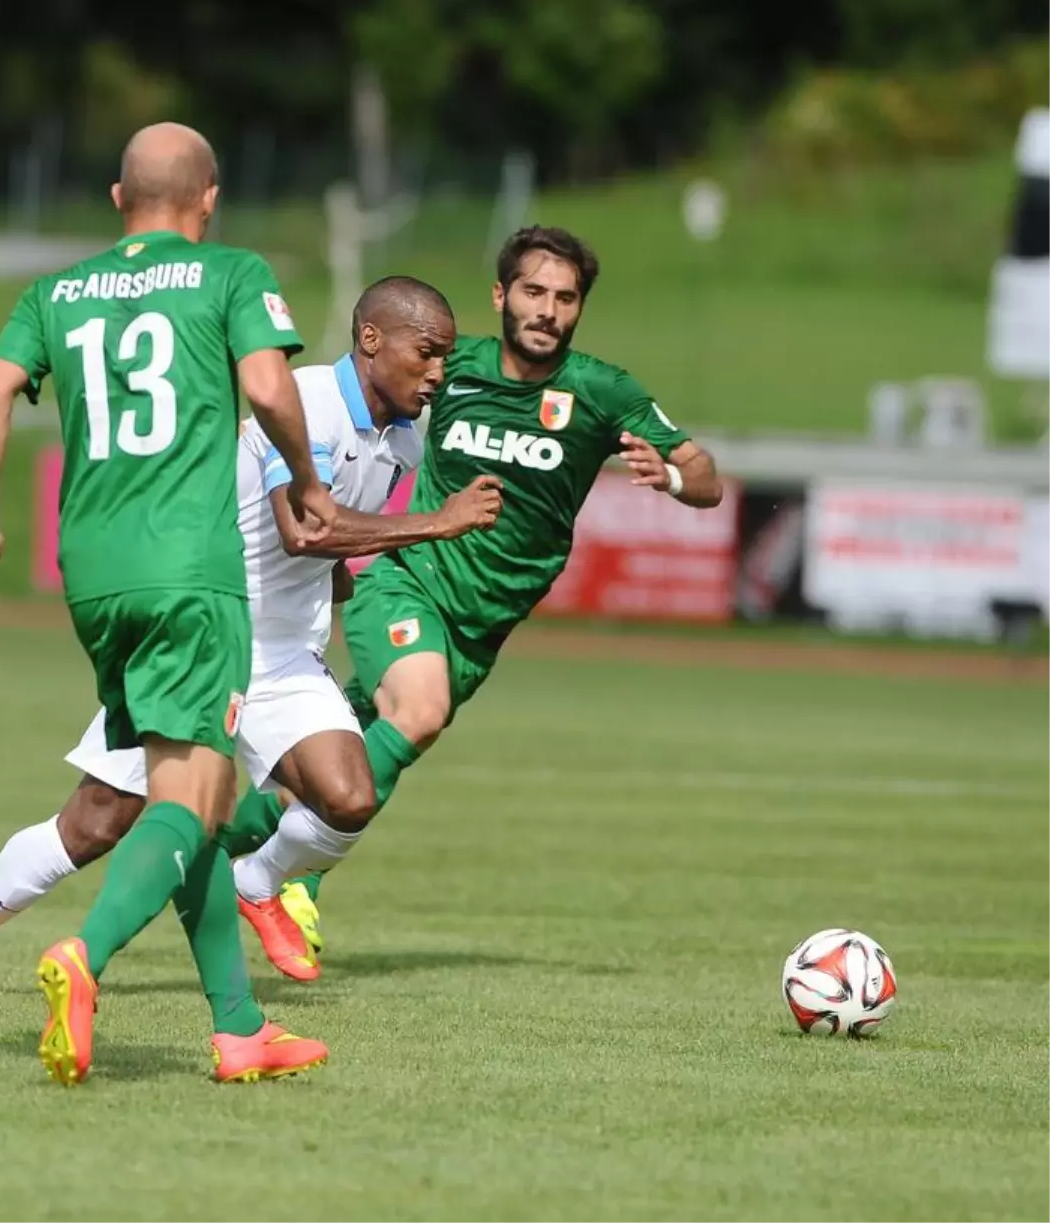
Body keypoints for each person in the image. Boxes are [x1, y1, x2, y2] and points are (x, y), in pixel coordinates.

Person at [0, 276, 503, 996]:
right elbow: (305, 529)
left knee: (347, 794)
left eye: (446, 355)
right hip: (203, 635)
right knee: (98, 822)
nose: (439, 370)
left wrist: (346, 596)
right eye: (428, 351)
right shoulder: (308, 402)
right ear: (372, 340)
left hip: (284, 653)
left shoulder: (402, 440)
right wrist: (439, 522)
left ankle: (256, 882)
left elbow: (322, 554)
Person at [0, 121, 335, 1086]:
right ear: (209, 199)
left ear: (119, 200)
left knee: (185, 799)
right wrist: (303, 474)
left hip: (93, 573)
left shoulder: (56, 291)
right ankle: (85, 956)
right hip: (191, 572)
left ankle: (241, 1029)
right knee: (191, 796)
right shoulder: (230, 274)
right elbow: (267, 383)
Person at [233, 224, 724, 976]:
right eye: (533, 291)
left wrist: (674, 478)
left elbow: (707, 476)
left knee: (358, 742)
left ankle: (220, 849)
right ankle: (282, 881)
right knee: (417, 712)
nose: (548, 310)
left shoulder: (602, 390)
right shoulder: (445, 365)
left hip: (482, 626)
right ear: (501, 296)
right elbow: (363, 390)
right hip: (408, 578)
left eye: (566, 298)